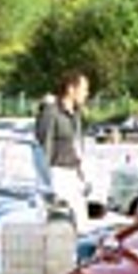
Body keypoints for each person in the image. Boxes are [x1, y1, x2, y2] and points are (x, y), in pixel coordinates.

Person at [35, 69, 89, 220]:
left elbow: (77, 146)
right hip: (58, 174)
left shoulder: (77, 114)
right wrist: (49, 184)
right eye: (84, 89)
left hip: (74, 174)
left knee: (81, 222)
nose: (86, 94)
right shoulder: (51, 112)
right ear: (71, 89)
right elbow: (43, 147)